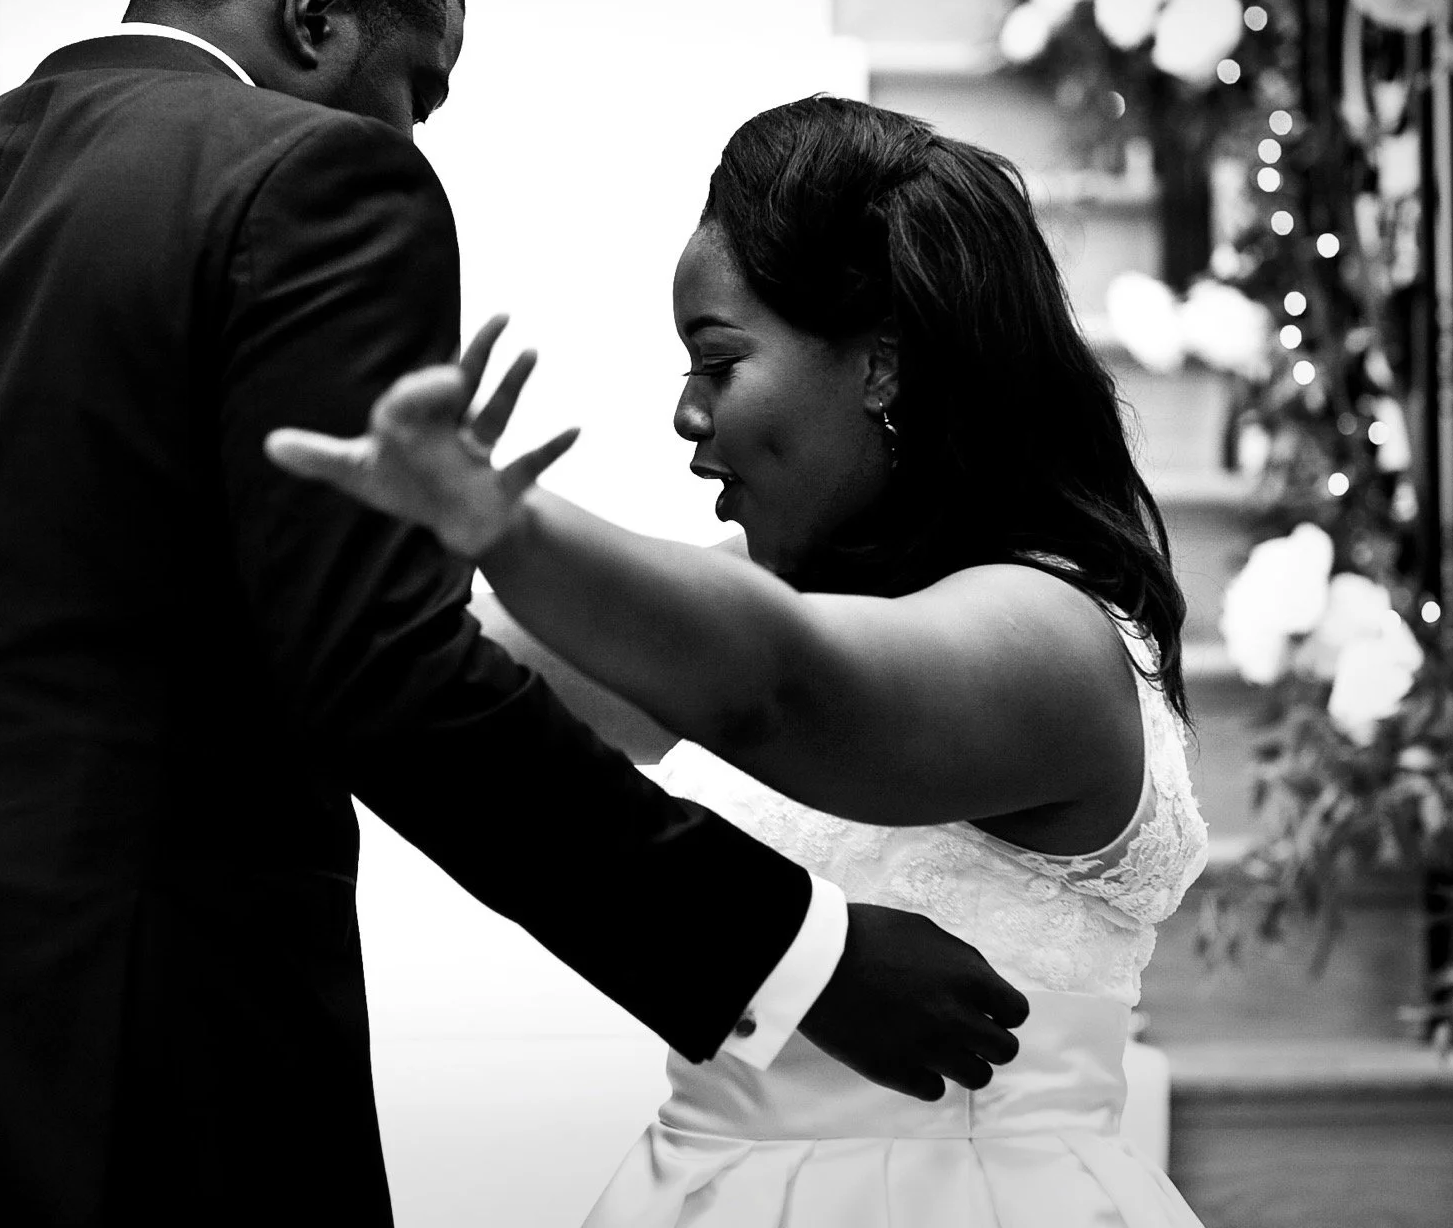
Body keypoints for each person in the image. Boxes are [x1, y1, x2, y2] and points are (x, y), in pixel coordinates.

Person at [0, 0, 1028, 1227]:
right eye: (416, 92)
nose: (414, 134)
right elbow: (383, 682)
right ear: (314, 12)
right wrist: (790, 954)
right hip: (152, 1087)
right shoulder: (311, 182)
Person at [271, 96, 1212, 1227]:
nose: (684, 412)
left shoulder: (1049, 636)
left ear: (882, 366)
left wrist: (506, 526)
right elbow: (454, 680)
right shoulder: (765, 590)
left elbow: (784, 689)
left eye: (718, 361)